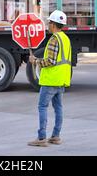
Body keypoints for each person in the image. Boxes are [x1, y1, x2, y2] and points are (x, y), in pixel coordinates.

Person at [27, 10, 72, 147]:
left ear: (53, 24)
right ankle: (56, 136)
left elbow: (51, 61)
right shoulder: (65, 38)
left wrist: (35, 61)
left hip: (51, 80)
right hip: (61, 80)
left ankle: (41, 138)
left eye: (49, 22)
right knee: (58, 108)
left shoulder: (54, 39)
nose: (48, 25)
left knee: (42, 106)